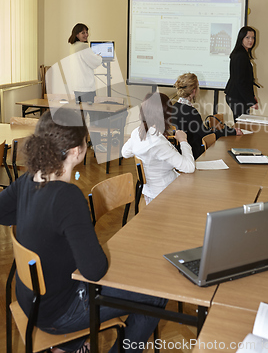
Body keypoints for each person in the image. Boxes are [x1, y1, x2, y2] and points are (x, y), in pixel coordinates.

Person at [0, 108, 166, 353]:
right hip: (58, 312)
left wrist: (38, 224)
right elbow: (95, 270)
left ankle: (71, 345)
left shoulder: (28, 180)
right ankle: (76, 342)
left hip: (29, 299)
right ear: (77, 151)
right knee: (155, 296)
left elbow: (3, 213)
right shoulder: (67, 197)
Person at [121, 92, 195, 204]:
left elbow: (125, 153)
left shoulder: (138, 132)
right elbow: (189, 167)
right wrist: (183, 141)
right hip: (165, 194)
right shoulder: (158, 144)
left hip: (151, 192)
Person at [172, 73, 243, 160]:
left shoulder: (174, 107)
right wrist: (231, 131)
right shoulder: (191, 111)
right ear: (194, 90)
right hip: (192, 155)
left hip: (178, 154)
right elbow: (206, 136)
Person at [224, 26, 259, 122]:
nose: (250, 40)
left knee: (243, 124)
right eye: (247, 37)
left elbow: (246, 80)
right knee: (242, 124)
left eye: (253, 37)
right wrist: (250, 100)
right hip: (236, 96)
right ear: (241, 38)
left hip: (238, 95)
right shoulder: (240, 55)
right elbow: (240, 81)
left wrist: (251, 96)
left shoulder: (242, 53)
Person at [68, 23, 102, 104]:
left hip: (77, 87)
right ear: (76, 34)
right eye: (83, 33)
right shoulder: (83, 46)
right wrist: (99, 57)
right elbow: (95, 62)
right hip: (86, 89)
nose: (86, 35)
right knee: (93, 114)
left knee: (82, 114)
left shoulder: (73, 46)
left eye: (87, 32)